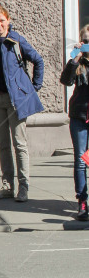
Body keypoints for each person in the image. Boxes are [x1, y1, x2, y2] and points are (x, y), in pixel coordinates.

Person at [0, 5, 44, 202]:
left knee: (19, 144)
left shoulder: (15, 40)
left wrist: (34, 87)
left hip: (16, 101)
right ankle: (7, 186)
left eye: (2, 21)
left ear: (8, 21)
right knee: (3, 145)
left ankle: (23, 187)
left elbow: (38, 60)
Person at [60, 25, 89, 221]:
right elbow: (65, 81)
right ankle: (82, 201)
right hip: (79, 116)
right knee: (80, 159)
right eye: (85, 41)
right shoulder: (78, 63)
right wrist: (76, 57)